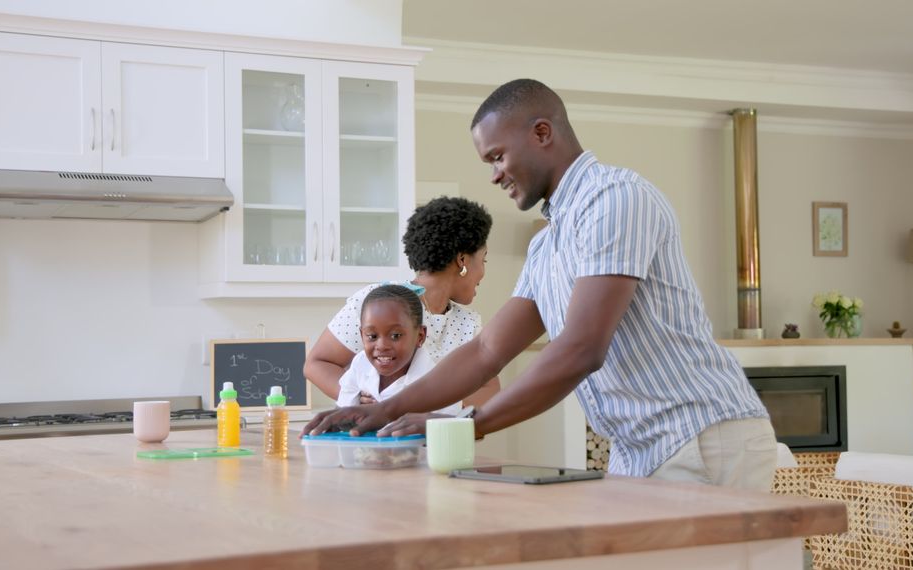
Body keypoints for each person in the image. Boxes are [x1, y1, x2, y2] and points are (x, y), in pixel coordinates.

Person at [306, 79, 776, 491]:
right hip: (639, 447)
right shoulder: (548, 245)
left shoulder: (616, 199)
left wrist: (468, 426)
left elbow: (581, 348)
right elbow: (489, 348)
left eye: (497, 156)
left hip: (700, 436)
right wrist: (388, 410)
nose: (493, 175)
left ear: (542, 133)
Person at [304, 196, 499, 408]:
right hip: (374, 438)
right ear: (462, 260)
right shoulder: (379, 302)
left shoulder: (468, 323)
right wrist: (357, 396)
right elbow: (316, 364)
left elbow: (490, 390)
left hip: (438, 438)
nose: (483, 273)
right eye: (484, 260)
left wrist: (426, 404)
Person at [336, 284, 461, 416]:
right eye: (372, 336)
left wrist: (390, 414)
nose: (382, 346)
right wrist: (355, 411)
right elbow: (342, 413)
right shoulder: (361, 364)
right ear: (362, 335)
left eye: (395, 336)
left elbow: (452, 429)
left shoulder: (440, 385)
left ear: (420, 336)